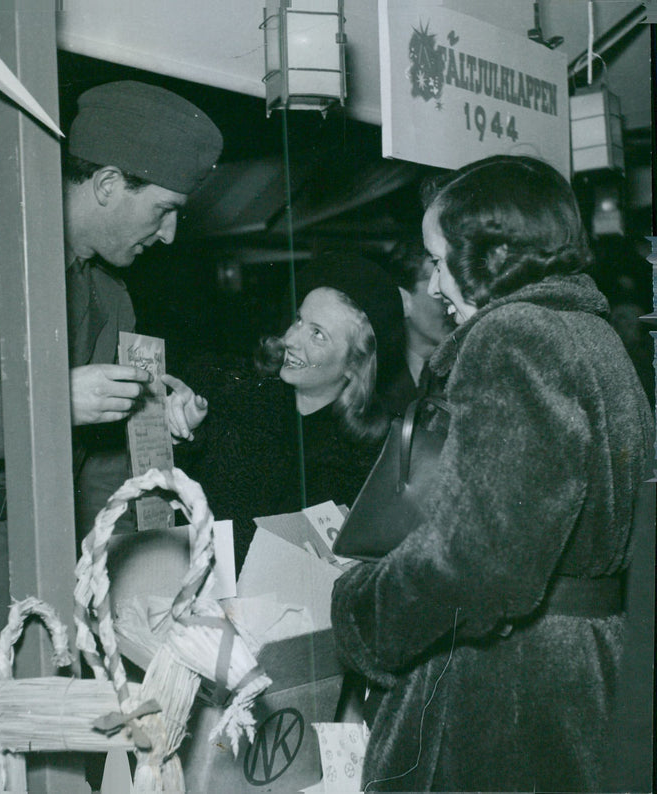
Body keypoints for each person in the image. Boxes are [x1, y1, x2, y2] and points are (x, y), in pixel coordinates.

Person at [0, 80, 222, 711]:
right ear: (107, 184)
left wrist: (150, 426)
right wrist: (49, 401)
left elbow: (92, 476)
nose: (167, 236)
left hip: (41, 599)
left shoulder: (111, 298)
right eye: (164, 209)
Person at [330, 155, 653, 792]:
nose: (432, 285)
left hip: (504, 698)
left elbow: (478, 563)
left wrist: (360, 606)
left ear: (490, 256)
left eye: (439, 259)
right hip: (587, 681)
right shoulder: (599, 337)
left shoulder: (512, 338)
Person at [173, 250, 407, 570]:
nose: (292, 339)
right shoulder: (235, 399)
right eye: (299, 319)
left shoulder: (373, 454)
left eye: (317, 335)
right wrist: (183, 432)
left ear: (355, 365)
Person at [384, 233, 452, 408]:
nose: (451, 300)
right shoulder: (378, 380)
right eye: (439, 293)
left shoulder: (467, 369)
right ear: (404, 301)